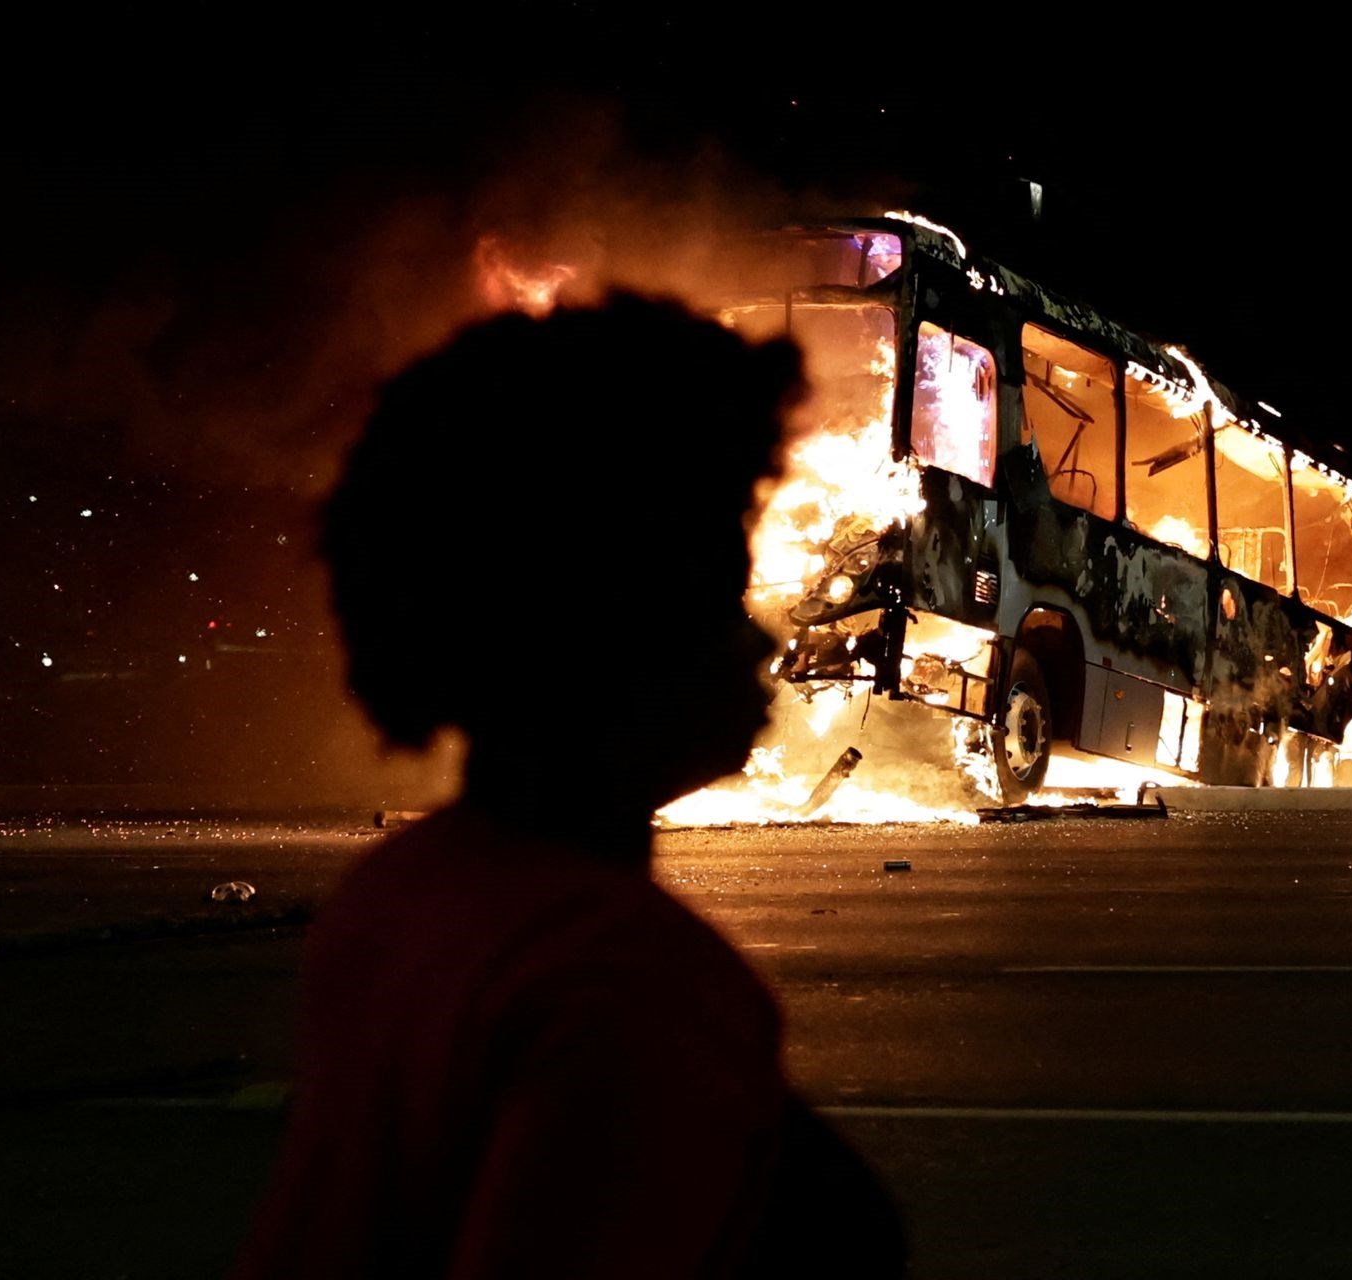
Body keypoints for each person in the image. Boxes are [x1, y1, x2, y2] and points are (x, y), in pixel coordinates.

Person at [233, 292, 905, 1278]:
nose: (762, 641)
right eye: (718, 592)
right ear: (605, 630)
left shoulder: (401, 889)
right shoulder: (627, 984)